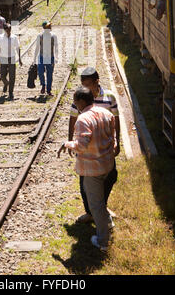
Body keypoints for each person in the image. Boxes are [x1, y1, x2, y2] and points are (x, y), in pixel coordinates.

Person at [58, 87, 116, 252]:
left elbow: (82, 146)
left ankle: (103, 242)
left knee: (95, 205)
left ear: (82, 101)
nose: (75, 105)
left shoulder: (83, 119)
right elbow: (113, 138)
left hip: (93, 169)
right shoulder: (106, 114)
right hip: (107, 164)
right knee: (99, 199)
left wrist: (67, 144)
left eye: (76, 102)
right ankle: (108, 224)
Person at [68, 67, 120, 224]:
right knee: (85, 182)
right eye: (83, 84)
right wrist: (70, 140)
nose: (86, 87)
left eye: (88, 84)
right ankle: (90, 212)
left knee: (110, 177)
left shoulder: (109, 97)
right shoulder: (81, 98)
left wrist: (119, 142)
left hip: (105, 148)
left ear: (97, 81)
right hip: (86, 150)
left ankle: (101, 207)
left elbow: (116, 121)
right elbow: (72, 119)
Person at [0, 23, 22, 100]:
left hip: (12, 58)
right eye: (7, 29)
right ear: (4, 29)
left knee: (12, 76)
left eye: (10, 29)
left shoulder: (14, 37)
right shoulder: (0, 37)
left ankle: (11, 92)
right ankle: (6, 83)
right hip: (3, 58)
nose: (9, 31)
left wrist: (19, 58)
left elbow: (17, 48)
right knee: (2, 76)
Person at [33, 21, 58, 96]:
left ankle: (49, 89)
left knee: (49, 74)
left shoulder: (53, 36)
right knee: (40, 72)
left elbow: (56, 47)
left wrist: (56, 57)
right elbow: (37, 47)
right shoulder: (40, 36)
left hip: (50, 57)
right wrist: (34, 58)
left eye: (50, 26)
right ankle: (43, 84)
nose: (50, 27)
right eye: (48, 26)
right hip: (41, 56)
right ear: (44, 28)